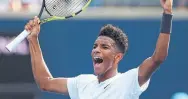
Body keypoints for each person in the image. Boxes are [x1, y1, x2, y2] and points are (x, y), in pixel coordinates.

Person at [25, 0, 173, 98]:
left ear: (118, 57)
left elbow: (158, 58)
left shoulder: (129, 81)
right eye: (95, 46)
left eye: (105, 47)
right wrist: (33, 39)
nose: (96, 50)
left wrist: (167, 13)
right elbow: (45, 82)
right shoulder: (82, 83)